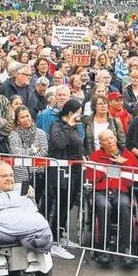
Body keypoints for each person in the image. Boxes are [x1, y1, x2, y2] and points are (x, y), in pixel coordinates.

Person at [85, 130, 138, 267]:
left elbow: (135, 178)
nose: (109, 141)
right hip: (101, 192)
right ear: (101, 144)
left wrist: (124, 163)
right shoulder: (96, 156)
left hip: (120, 191)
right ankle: (103, 249)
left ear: (115, 138)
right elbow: (90, 177)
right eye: (105, 140)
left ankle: (126, 249)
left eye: (111, 138)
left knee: (124, 205)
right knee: (104, 206)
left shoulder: (128, 155)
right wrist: (105, 169)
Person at [0, 161, 53, 253]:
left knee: (46, 233)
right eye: (4, 176)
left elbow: (32, 204)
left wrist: (30, 191)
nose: (9, 178)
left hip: (32, 223)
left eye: (11, 175)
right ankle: (28, 240)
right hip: (6, 229)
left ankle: (27, 239)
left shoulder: (23, 188)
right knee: (41, 235)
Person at [46, 99, 84, 260]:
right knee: (60, 205)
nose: (80, 117)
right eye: (78, 113)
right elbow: (60, 143)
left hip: (75, 170)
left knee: (68, 204)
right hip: (61, 172)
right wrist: (69, 124)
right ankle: (54, 242)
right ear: (70, 113)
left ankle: (61, 235)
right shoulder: (57, 126)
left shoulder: (75, 127)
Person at [8, 105, 48, 185]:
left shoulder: (40, 133)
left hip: (38, 172)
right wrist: (33, 150)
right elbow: (16, 152)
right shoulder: (14, 134)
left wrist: (28, 156)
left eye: (27, 116)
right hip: (21, 174)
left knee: (38, 196)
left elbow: (44, 151)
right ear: (18, 121)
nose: (26, 119)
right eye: (22, 117)